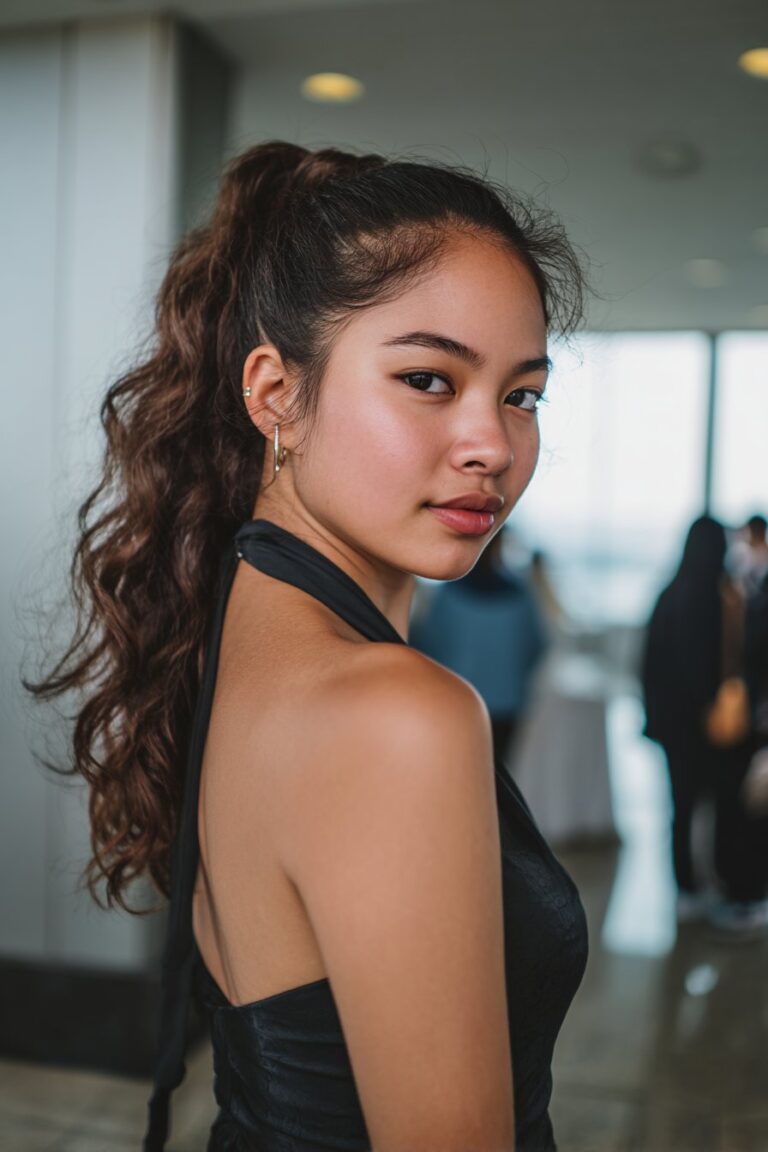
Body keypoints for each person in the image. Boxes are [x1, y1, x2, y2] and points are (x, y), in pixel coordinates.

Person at [24, 140, 589, 1151]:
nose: (492, 445)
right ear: (276, 394)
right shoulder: (395, 714)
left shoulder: (237, 636)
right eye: (428, 378)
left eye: (522, 394)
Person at [640, 515, 768, 934]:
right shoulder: (720, 599)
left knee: (680, 808)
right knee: (722, 806)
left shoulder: (668, 594)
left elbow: (647, 666)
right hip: (711, 729)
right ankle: (721, 884)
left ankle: (686, 889)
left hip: (674, 728)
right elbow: (720, 666)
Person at [410, 528, 550, 764]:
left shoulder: (450, 593)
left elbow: (426, 646)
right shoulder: (518, 595)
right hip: (506, 703)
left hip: (456, 701)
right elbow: (536, 646)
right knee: (497, 775)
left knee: (456, 770)